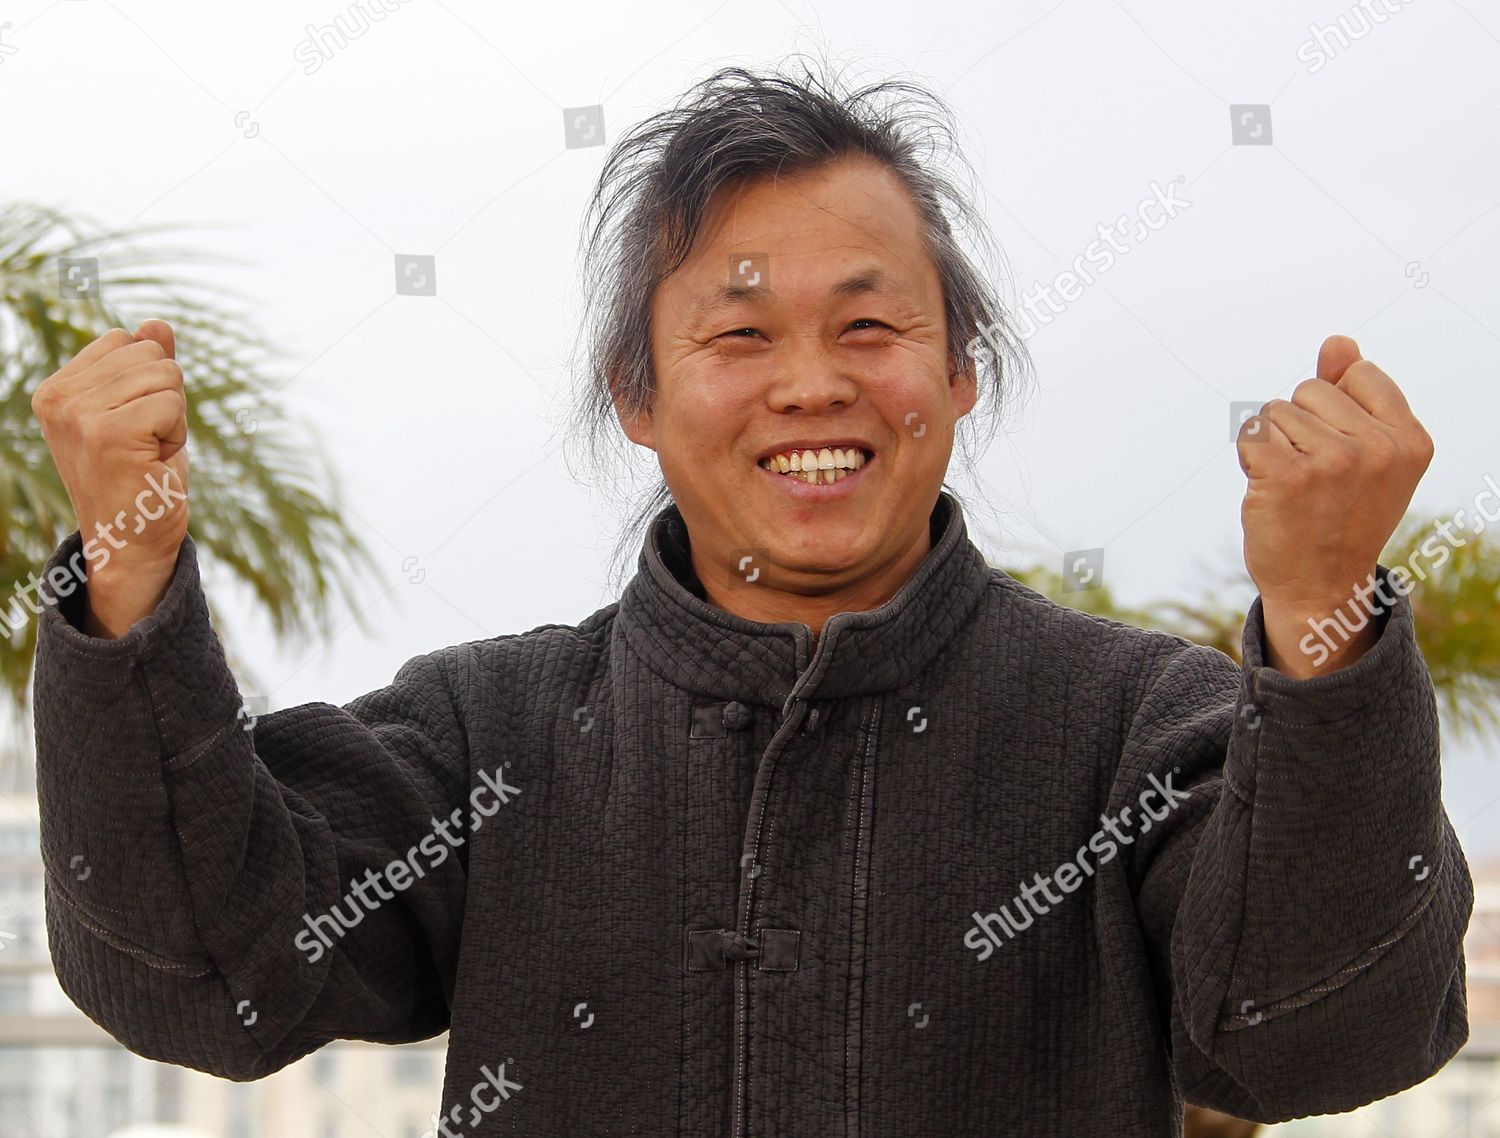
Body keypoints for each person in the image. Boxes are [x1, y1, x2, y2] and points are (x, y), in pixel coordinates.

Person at [28, 61, 1471, 1137]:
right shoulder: (491, 734)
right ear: (636, 396)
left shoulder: (1134, 724)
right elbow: (210, 974)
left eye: (869, 321)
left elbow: (1320, 1032)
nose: (812, 382)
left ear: (958, 369)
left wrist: (1329, 613)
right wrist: (133, 568)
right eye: (738, 329)